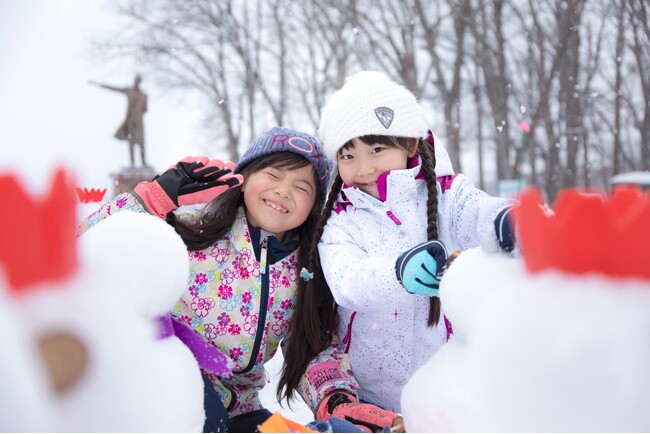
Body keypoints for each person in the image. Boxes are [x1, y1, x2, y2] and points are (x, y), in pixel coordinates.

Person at [278, 71, 516, 431]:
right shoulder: (340, 219)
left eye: (377, 149)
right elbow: (347, 281)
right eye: (348, 155)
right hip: (368, 398)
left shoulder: (447, 196)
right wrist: (398, 273)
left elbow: (478, 211)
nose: (364, 168)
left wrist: (510, 221)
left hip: (445, 394)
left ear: (409, 144)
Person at [79, 126, 342, 433]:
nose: (284, 190)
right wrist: (150, 200)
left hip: (240, 409)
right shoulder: (191, 234)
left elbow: (312, 347)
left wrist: (336, 398)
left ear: (313, 207)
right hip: (169, 388)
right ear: (244, 179)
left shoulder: (306, 272)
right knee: (207, 411)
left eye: (302, 187)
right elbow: (85, 249)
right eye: (273, 174)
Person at [89, 74, 148, 167]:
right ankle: (132, 163)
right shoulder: (129, 90)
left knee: (141, 142)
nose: (136, 81)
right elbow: (115, 88)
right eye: (136, 80)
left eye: (138, 80)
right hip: (130, 121)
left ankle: (143, 162)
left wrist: (138, 112)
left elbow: (145, 109)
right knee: (131, 142)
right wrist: (100, 84)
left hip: (139, 121)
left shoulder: (143, 95)